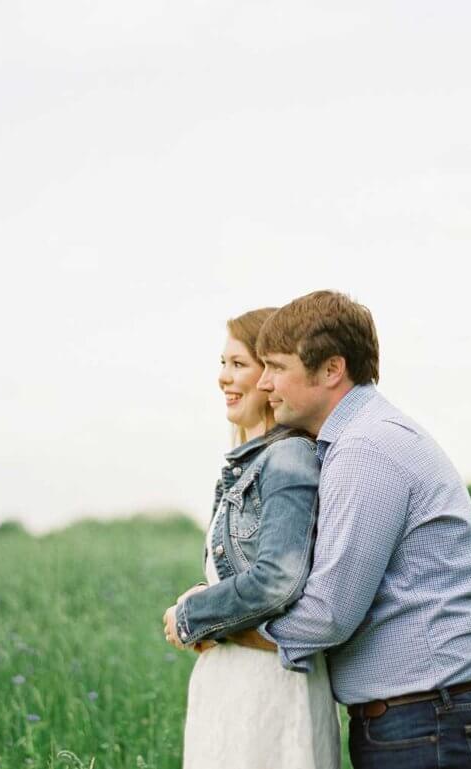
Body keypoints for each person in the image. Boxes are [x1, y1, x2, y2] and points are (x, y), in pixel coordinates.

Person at [253, 290, 471, 769]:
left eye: (276, 367)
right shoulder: (360, 440)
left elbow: (329, 613)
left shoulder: (366, 449)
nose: (262, 382)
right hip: (430, 715)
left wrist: (221, 626)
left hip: (432, 719)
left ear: (332, 369)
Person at [162, 307, 340, 769]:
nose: (224, 378)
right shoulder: (246, 469)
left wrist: (193, 615)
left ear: (271, 377)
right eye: (223, 364)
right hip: (236, 690)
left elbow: (277, 581)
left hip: (270, 692)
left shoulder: (288, 459)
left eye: (238, 364)